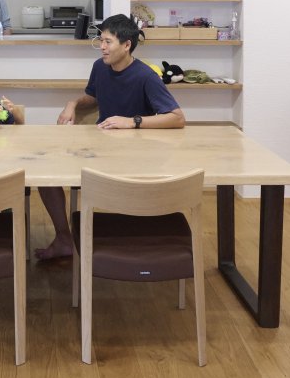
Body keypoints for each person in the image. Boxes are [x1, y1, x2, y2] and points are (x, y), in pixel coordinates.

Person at [35, 14, 185, 260]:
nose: (102, 47)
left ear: (126, 45)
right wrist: (72, 103)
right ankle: (63, 239)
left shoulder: (146, 76)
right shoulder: (100, 67)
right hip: (101, 149)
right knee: (45, 175)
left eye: (108, 42)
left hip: (135, 158)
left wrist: (133, 121)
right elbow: (93, 97)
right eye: (100, 41)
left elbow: (177, 118)